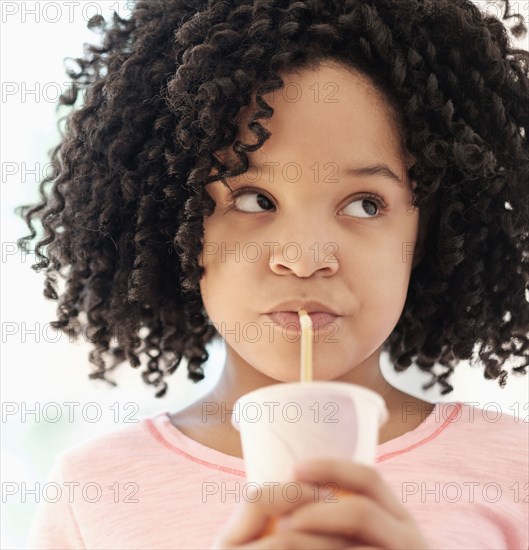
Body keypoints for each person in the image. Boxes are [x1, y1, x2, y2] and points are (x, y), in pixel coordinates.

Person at [18, 0, 528, 548]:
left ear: (426, 233)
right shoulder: (93, 493)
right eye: (256, 199)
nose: (306, 258)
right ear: (181, 229)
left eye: (364, 205)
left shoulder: (515, 472)